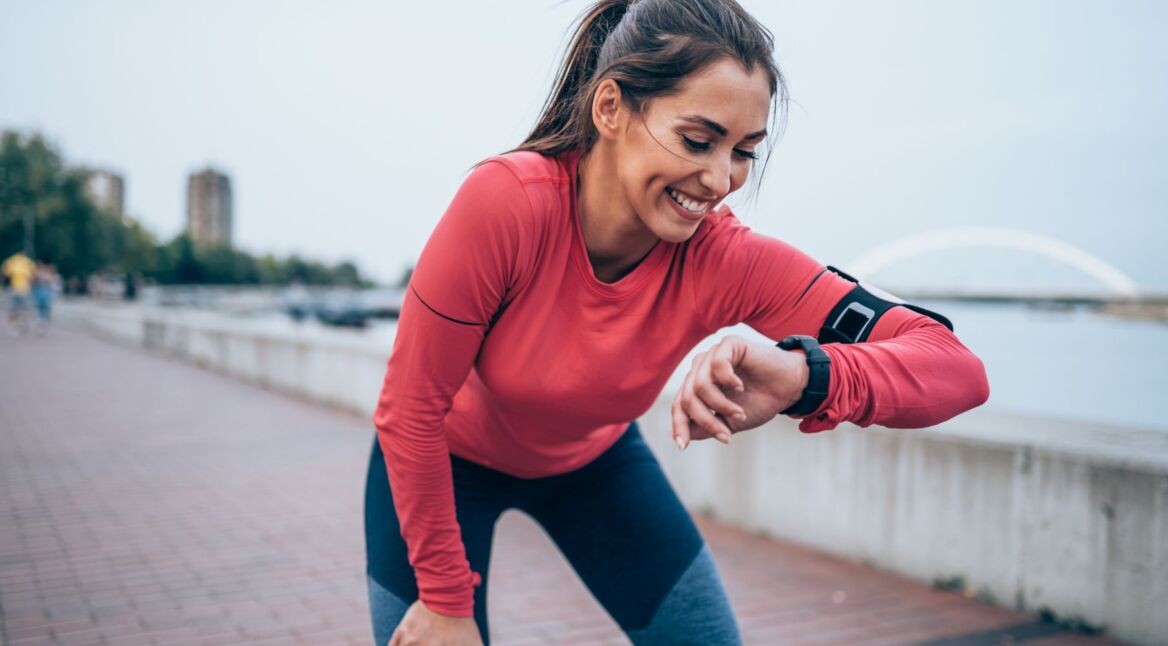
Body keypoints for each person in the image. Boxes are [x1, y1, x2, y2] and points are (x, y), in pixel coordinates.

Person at [366, 1, 990, 644]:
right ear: (610, 108)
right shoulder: (508, 202)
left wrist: (804, 375)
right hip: (442, 463)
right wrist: (445, 600)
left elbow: (957, 370)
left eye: (743, 152)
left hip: (594, 465)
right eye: (698, 140)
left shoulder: (725, 260)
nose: (720, 180)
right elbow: (412, 407)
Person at [2, 251, 36, 336]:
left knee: (15, 310)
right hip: (23, 289)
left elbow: (6, 273)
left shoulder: (12, 261)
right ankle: (22, 324)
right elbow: (33, 277)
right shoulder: (27, 262)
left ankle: (17, 326)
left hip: (16, 289)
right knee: (23, 309)